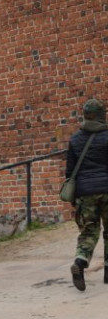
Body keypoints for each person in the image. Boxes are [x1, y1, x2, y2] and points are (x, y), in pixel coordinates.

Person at [66, 98, 108, 291]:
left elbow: (70, 172)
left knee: (89, 231)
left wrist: (75, 198)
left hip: (85, 192)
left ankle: (80, 262)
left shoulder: (75, 139)